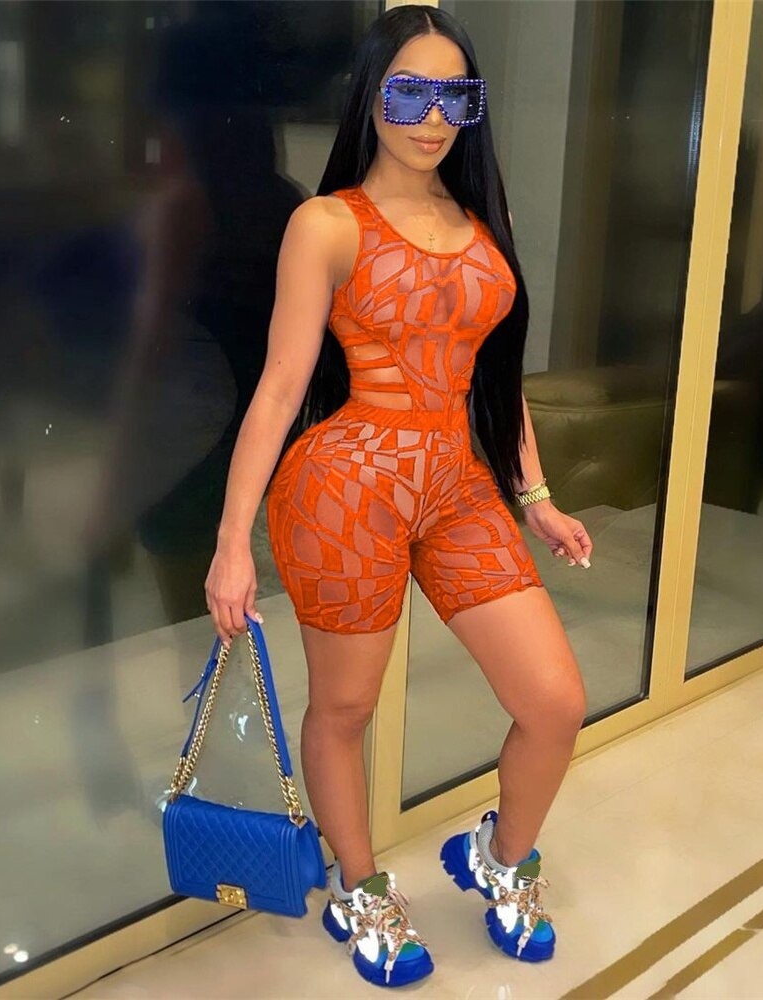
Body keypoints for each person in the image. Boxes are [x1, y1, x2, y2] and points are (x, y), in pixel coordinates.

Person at [205, 6, 590, 988]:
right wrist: (231, 541)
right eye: (409, 92)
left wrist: (536, 496)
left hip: (459, 487)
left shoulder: (483, 218)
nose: (432, 117)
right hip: (344, 491)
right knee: (345, 707)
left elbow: (493, 381)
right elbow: (280, 385)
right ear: (371, 95)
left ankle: (500, 856)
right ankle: (359, 885)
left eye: (453, 95)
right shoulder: (327, 223)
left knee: (554, 702)